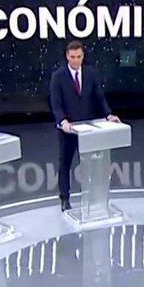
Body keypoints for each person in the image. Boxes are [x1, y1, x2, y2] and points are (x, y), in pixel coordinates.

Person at [49, 40, 120, 211]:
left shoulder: (91, 73)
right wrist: (62, 121)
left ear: (83, 56)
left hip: (88, 129)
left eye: (79, 57)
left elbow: (98, 97)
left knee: (90, 163)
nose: (75, 60)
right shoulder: (58, 76)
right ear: (67, 56)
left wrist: (108, 114)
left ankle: (92, 197)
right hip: (68, 129)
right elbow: (55, 104)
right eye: (72, 57)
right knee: (65, 163)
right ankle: (65, 199)